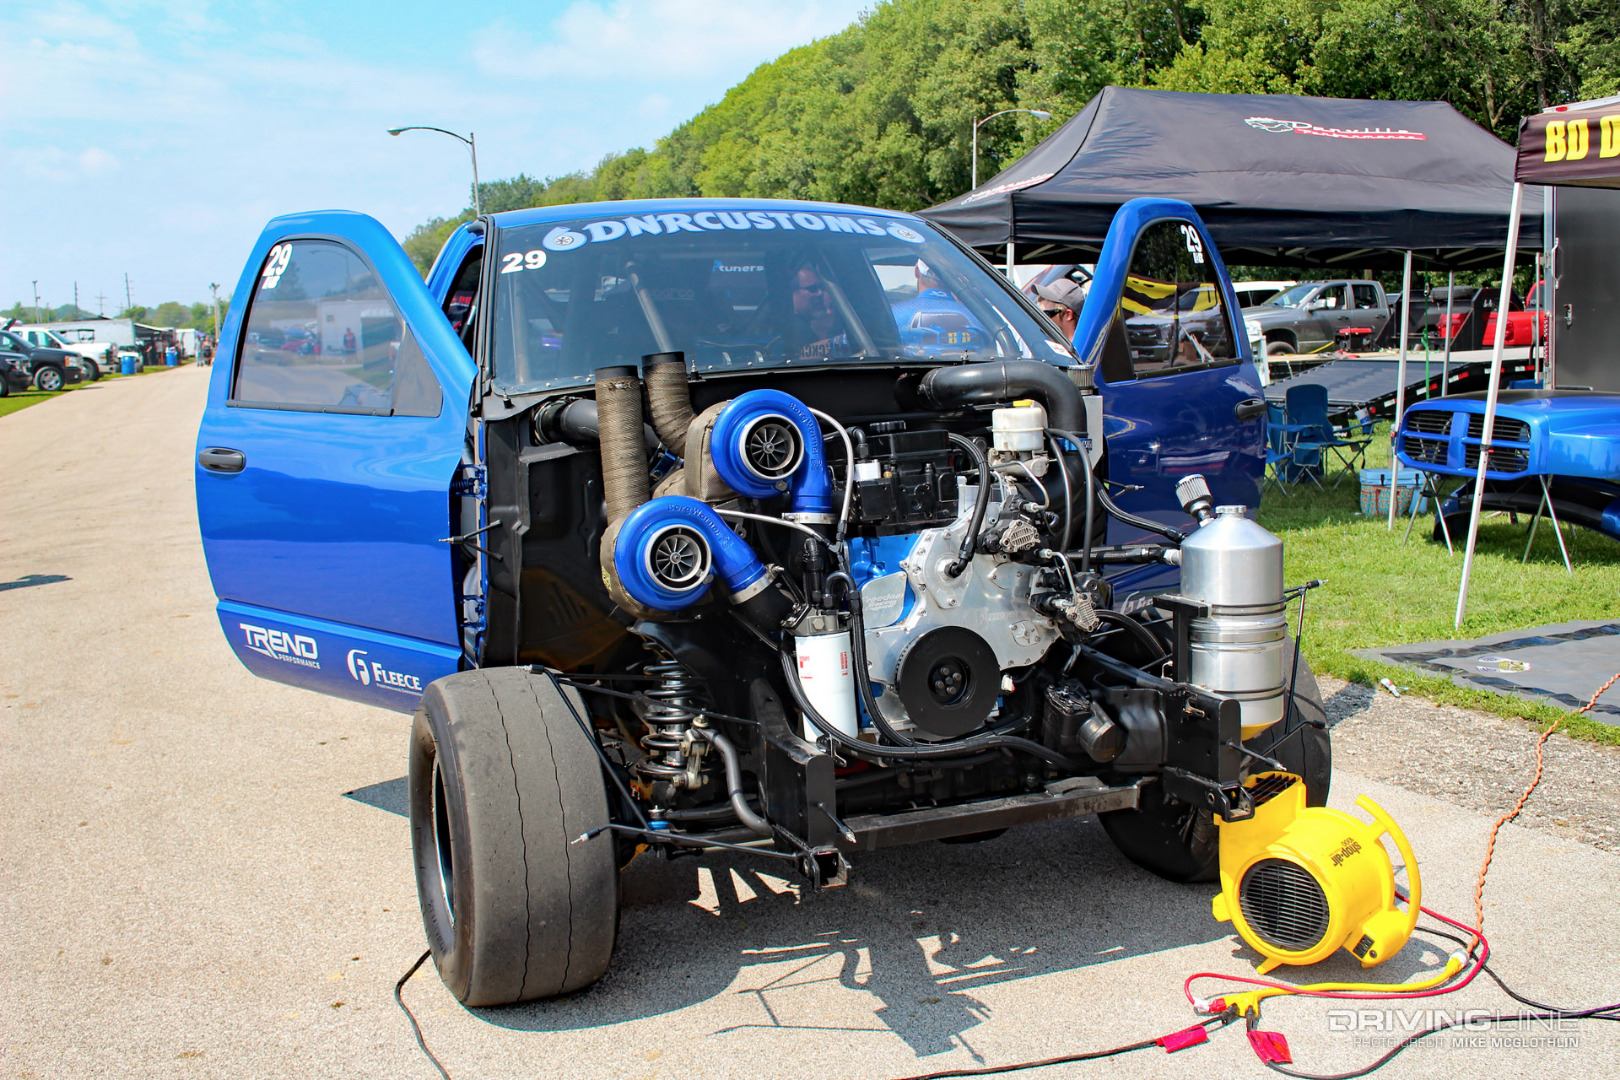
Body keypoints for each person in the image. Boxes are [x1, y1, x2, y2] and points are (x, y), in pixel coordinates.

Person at [1034, 277, 1086, 344]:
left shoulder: (1082, 348)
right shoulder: (1048, 345)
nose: (1041, 318)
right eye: (1039, 313)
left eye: (1046, 314)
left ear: (1068, 314)